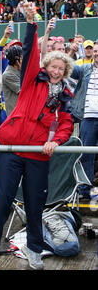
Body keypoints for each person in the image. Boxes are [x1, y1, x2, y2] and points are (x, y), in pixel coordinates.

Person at [0, 3, 74, 270]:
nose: (56, 71)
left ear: (65, 72)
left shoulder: (65, 96)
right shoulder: (32, 79)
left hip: (38, 155)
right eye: (52, 67)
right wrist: (31, 23)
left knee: (35, 206)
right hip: (11, 149)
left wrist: (56, 141)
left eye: (60, 69)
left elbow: (66, 124)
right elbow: (31, 52)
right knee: (1, 204)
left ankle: (34, 250)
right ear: (47, 67)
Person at [70, 40, 98, 200]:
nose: (96, 53)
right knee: (86, 155)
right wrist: (71, 53)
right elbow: (68, 70)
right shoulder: (85, 69)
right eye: (94, 51)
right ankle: (85, 191)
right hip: (87, 118)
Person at [2, 44, 23, 116]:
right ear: (17, 61)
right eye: (22, 58)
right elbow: (25, 91)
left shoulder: (20, 71)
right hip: (16, 117)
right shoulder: (8, 75)